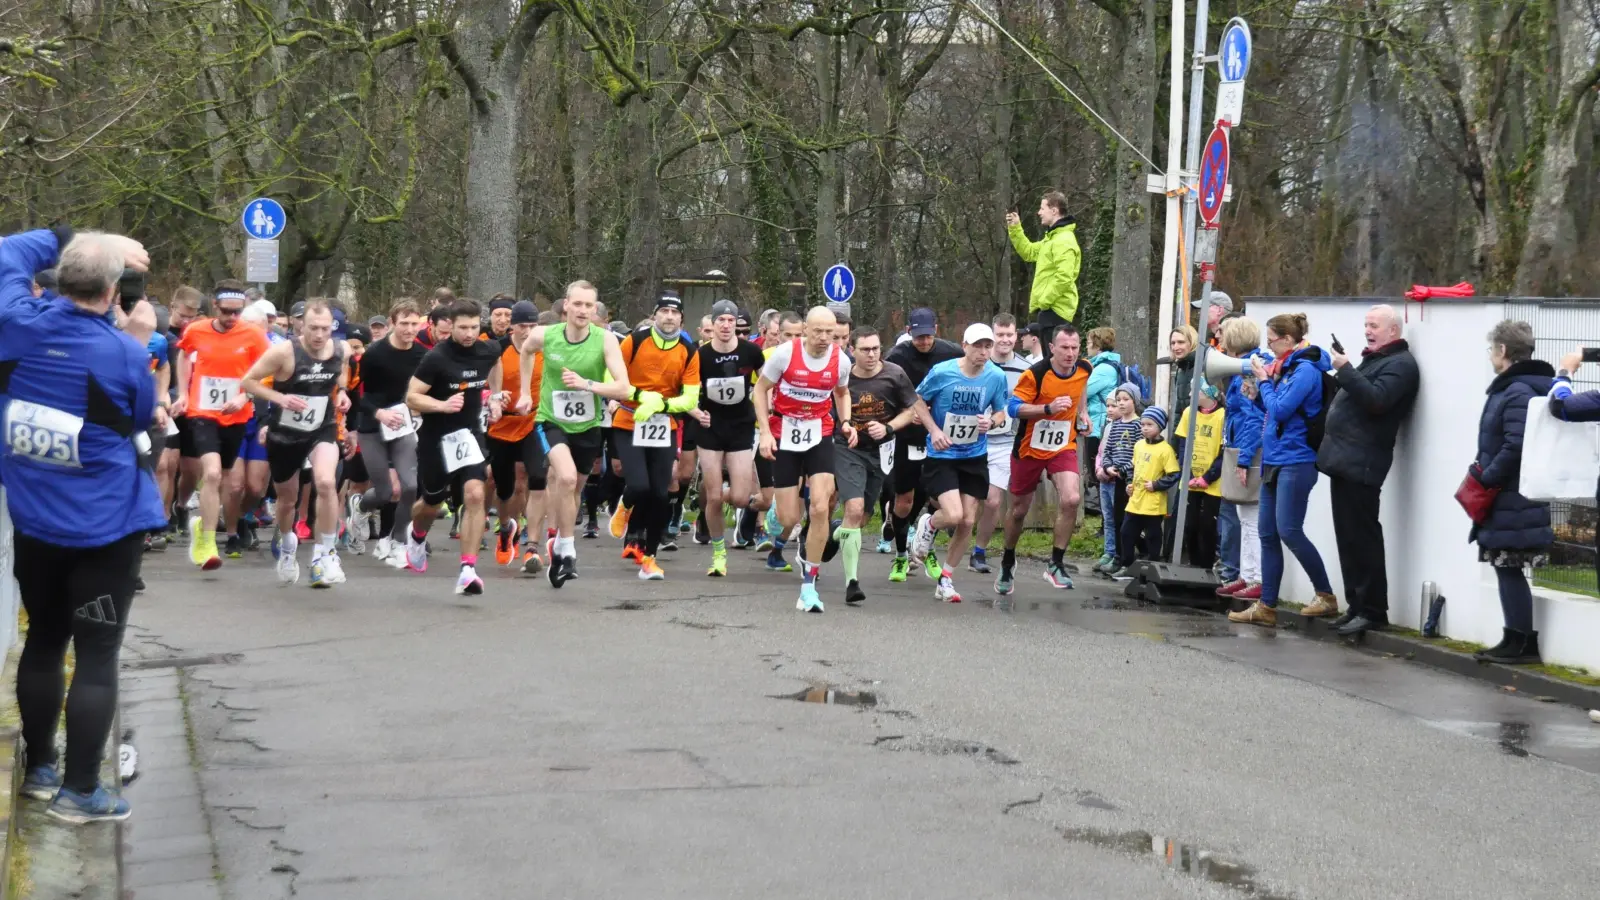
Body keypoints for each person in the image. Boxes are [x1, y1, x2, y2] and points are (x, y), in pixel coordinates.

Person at [1, 226, 166, 823]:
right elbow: (141, 413)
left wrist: (72, 236)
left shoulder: (12, 322)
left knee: (44, 640)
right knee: (97, 653)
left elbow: (5, 253)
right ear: (114, 288)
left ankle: (40, 770)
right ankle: (80, 793)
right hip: (105, 529)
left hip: (35, 522)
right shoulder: (122, 351)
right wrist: (139, 337)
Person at [516, 280, 634, 587]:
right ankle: (566, 550)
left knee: (575, 487)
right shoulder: (545, 334)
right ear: (565, 305)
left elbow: (624, 387)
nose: (582, 311)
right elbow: (525, 350)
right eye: (577, 304)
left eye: (588, 306)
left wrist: (588, 385)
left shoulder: (605, 340)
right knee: (565, 478)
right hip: (550, 420)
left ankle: (559, 548)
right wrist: (526, 393)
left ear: (595, 310)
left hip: (588, 425)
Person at [1316, 305, 1420, 636]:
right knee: (1347, 539)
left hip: (1363, 462)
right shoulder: (1377, 359)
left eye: (1373, 325)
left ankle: (1374, 610)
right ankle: (1356, 605)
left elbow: (1377, 400)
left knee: (1364, 538)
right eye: (1365, 324)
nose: (1367, 330)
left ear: (1393, 331)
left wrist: (1346, 370)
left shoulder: (1401, 366)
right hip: (1343, 460)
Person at [1229, 313, 1338, 627]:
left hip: (1297, 460)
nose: (1267, 345)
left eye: (1271, 339)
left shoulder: (1304, 370)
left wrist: (1264, 382)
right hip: (1275, 460)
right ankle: (1266, 606)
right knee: (1267, 534)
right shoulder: (1285, 368)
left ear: (1288, 340)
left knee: (1289, 530)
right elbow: (1270, 410)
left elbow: (1281, 408)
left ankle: (1325, 594)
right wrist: (1256, 388)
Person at [240, 298, 352, 587]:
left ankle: (324, 554)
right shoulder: (283, 352)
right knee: (287, 500)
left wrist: (340, 392)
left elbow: (342, 374)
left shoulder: (342, 349)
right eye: (313, 328)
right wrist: (280, 398)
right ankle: (288, 546)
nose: (319, 335)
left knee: (326, 483)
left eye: (325, 328)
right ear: (301, 325)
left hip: (322, 428)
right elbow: (248, 381)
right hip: (286, 433)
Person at [753, 306, 853, 613]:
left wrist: (846, 421)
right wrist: (766, 433)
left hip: (819, 433)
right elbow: (759, 391)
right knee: (789, 520)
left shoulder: (840, 360)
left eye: (831, 332)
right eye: (819, 331)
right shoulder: (784, 354)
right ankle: (777, 517)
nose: (825, 338)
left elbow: (842, 392)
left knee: (821, 506)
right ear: (806, 330)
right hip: (784, 433)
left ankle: (808, 584)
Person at [1464, 321, 1553, 664]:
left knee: (1509, 564)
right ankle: (1513, 637)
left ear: (1503, 351)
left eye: (1491, 349)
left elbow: (1515, 445)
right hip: (1507, 494)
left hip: (1510, 496)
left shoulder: (1516, 391)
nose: (1490, 356)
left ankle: (1522, 642)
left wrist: (1486, 478)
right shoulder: (1517, 387)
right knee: (1504, 565)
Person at [401, 299, 504, 595]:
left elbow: (495, 365)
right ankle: (417, 534)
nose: (469, 334)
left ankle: (468, 569)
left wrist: (495, 396)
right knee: (432, 502)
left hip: (469, 433)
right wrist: (442, 405)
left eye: (474, 327)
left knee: (474, 494)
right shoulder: (437, 358)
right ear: (451, 326)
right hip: (437, 436)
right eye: (463, 328)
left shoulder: (488, 349)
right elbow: (412, 397)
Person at [909, 324, 1011, 603]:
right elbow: (917, 400)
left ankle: (946, 579)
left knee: (967, 520)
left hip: (974, 454)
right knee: (952, 515)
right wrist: (934, 430)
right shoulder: (943, 372)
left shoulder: (996, 376)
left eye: (987, 346)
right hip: (943, 454)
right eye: (977, 345)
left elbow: (1002, 412)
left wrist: (991, 421)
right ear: (964, 345)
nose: (983, 351)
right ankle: (929, 524)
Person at [173, 280, 271, 569]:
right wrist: (182, 392)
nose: (231, 318)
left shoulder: (253, 335)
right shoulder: (196, 330)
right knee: (213, 474)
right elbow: (183, 355)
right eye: (226, 311)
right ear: (214, 306)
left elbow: (266, 372)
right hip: (202, 412)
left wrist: (246, 396)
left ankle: (205, 523)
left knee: (228, 479)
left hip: (236, 415)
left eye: (237, 313)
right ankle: (206, 540)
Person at [608, 291, 702, 579]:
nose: (669, 317)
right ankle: (624, 507)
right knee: (638, 485)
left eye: (675, 313)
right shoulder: (634, 341)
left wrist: (661, 404)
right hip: (629, 420)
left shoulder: (688, 350)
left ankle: (649, 558)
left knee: (661, 494)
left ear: (682, 318)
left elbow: (689, 399)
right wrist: (638, 398)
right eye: (664, 312)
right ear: (655, 315)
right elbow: (613, 379)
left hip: (664, 425)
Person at [994, 323, 1091, 593]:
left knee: (1071, 498)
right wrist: (1047, 408)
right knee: (1019, 510)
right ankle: (1007, 560)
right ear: (1051, 348)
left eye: (1074, 348)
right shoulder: (1035, 374)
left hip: (1063, 445)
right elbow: (1013, 409)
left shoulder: (1084, 368)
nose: (1070, 353)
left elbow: (1080, 387)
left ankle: (1055, 564)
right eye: (1064, 348)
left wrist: (1082, 413)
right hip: (1029, 448)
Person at [835, 327, 920, 604]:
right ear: (853, 351)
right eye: (865, 350)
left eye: (875, 349)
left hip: (881, 452)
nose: (871, 355)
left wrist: (888, 428)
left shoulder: (894, 374)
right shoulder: (842, 375)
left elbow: (912, 409)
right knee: (854, 507)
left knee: (863, 517)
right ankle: (852, 582)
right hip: (847, 448)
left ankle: (835, 531)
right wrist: (846, 428)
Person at [883, 307, 962, 581]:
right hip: (908, 435)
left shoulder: (951, 352)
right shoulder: (897, 357)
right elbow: (885, 392)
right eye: (918, 337)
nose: (924, 342)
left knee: (938, 498)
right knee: (905, 499)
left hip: (940, 436)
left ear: (936, 331)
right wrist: (904, 416)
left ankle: (926, 549)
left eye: (928, 336)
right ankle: (901, 556)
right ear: (908, 333)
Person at [691, 300, 766, 577]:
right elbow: (687, 390)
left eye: (730, 321)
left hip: (740, 426)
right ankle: (719, 553)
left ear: (737, 324)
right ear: (712, 325)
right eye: (720, 320)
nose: (725, 325)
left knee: (739, 497)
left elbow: (765, 383)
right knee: (713, 496)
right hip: (710, 427)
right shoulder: (700, 355)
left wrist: (767, 404)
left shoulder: (751, 352)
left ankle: (709, 501)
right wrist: (697, 412)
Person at [351, 300, 427, 568]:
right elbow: (361, 396)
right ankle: (360, 507)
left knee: (408, 486)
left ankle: (398, 542)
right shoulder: (375, 354)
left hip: (403, 426)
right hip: (373, 427)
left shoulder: (422, 355)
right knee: (384, 491)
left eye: (413, 324)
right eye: (403, 323)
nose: (409, 329)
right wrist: (380, 413)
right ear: (392, 323)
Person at [486, 300, 549, 573]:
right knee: (505, 488)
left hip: (533, 422)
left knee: (537, 477)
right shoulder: (496, 351)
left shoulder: (545, 350)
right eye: (523, 326)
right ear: (512, 326)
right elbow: (480, 384)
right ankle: (505, 529)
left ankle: (532, 546)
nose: (528, 331)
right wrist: (492, 399)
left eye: (533, 326)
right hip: (501, 426)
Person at [1213, 317, 1272, 600]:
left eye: (1225, 337)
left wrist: (1245, 459)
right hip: (1240, 447)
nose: (1221, 341)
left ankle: (1257, 578)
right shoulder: (1243, 369)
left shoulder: (1248, 372)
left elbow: (1254, 419)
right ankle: (1246, 575)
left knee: (1250, 518)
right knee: (1243, 514)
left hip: (1247, 451)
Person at [970, 313, 1031, 575]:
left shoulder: (1026, 368)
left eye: (1009, 335)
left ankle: (979, 552)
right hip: (973, 438)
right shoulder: (980, 362)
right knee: (966, 503)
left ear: (1016, 336)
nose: (1004, 340)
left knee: (994, 501)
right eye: (1000, 335)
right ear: (992, 336)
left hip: (1005, 441)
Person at [1111, 406, 1181, 576]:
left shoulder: (1166, 450)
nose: (1145, 428)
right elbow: (1132, 468)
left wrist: (1157, 485)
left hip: (1153, 502)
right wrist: (1129, 483)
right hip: (1136, 499)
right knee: (1126, 532)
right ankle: (1127, 566)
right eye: (1142, 424)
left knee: (1152, 536)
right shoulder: (1138, 445)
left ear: (1159, 427)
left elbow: (1174, 474)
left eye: (1149, 424)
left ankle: (1153, 567)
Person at [1004, 191, 1081, 329]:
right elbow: (1028, 252)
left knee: (1051, 351)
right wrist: (1015, 227)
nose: (1039, 212)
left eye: (1042, 208)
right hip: (1050, 310)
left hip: (1056, 311)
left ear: (1054, 211)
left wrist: (1045, 301)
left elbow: (1064, 277)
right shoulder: (1052, 239)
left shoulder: (1063, 240)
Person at [1082, 326, 1123, 571]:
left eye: (1088, 342)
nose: (1087, 347)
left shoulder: (1104, 368)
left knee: (1100, 476)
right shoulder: (1100, 365)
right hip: (1096, 427)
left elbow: (1083, 391)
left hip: (1099, 428)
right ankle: (1104, 526)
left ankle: (1105, 526)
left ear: (1098, 344)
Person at [1174, 382, 1226, 571]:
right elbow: (1182, 444)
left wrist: (1207, 477)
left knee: (1207, 526)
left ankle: (1206, 567)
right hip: (1190, 478)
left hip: (1212, 482)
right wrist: (1186, 472)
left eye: (1194, 390)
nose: (1189, 394)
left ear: (1208, 393)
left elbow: (1223, 451)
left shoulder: (1222, 416)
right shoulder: (1189, 412)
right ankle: (1193, 565)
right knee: (1189, 525)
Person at [1093, 384, 1143, 574]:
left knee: (1127, 522)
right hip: (1115, 478)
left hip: (1130, 479)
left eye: (1125, 400)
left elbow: (1139, 452)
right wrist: (1107, 466)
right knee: (1114, 518)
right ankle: (1117, 556)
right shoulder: (1114, 425)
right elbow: (1108, 450)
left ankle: (1129, 559)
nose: (1121, 403)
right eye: (1119, 400)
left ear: (1134, 402)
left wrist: (1124, 469)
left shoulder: (1139, 424)